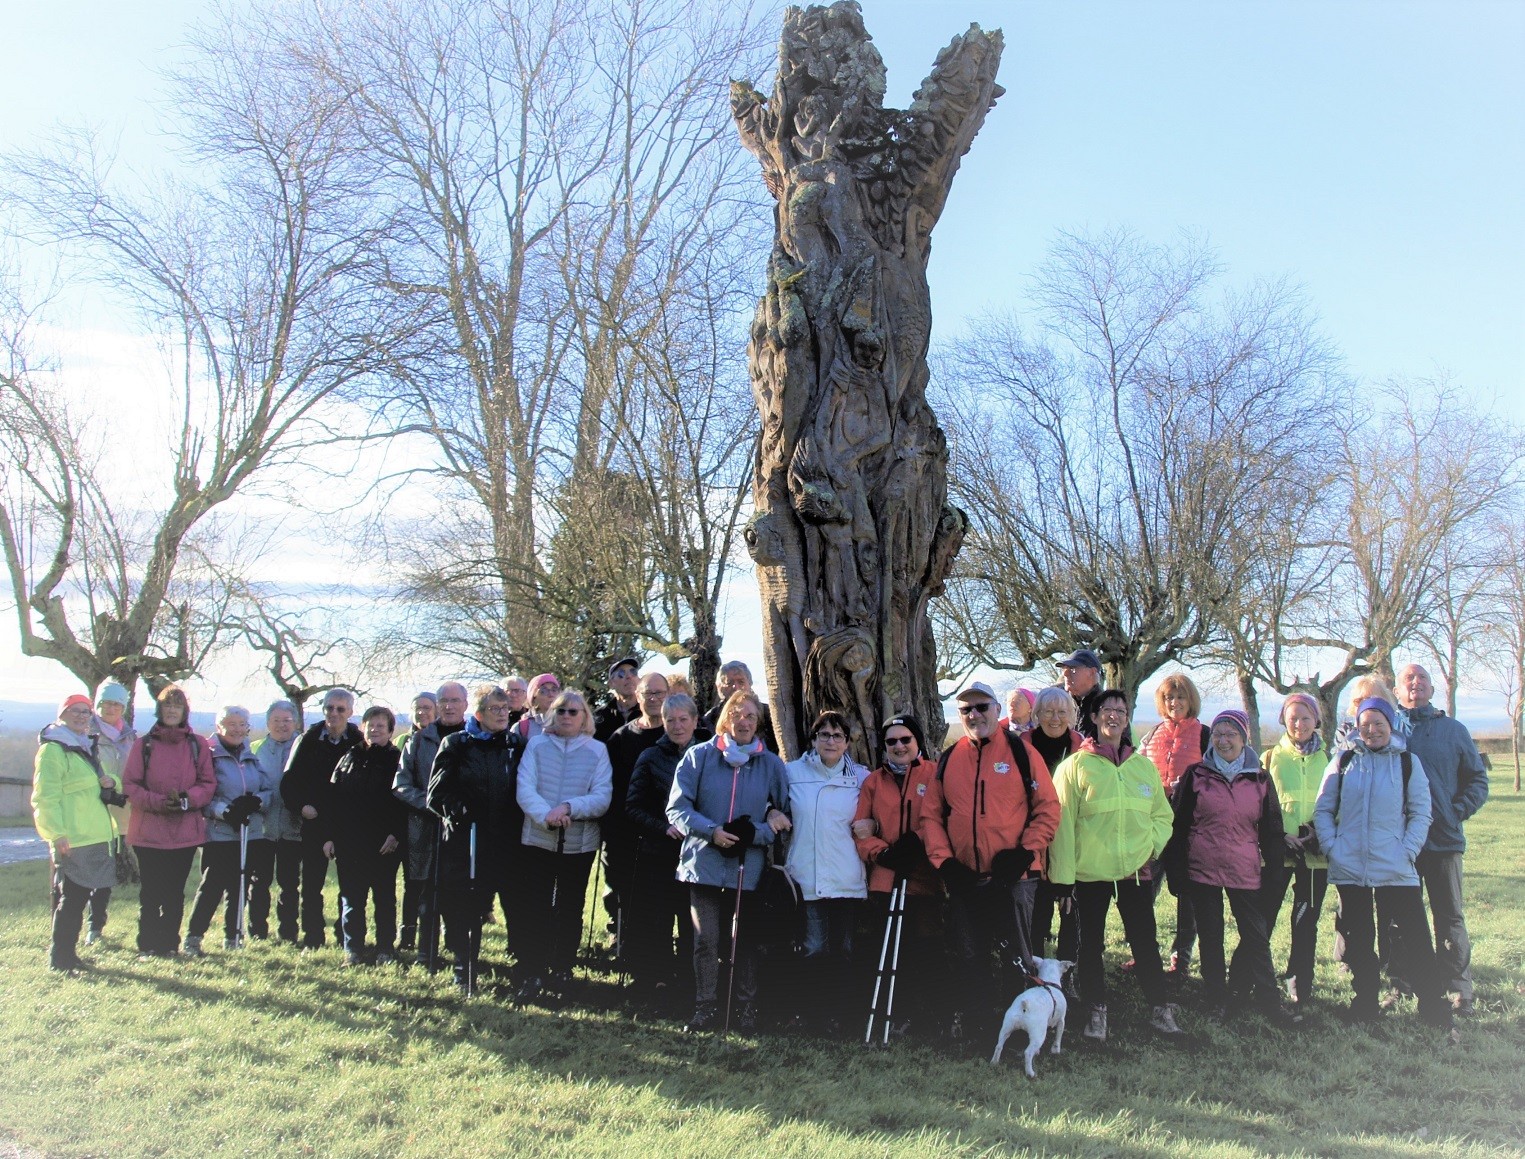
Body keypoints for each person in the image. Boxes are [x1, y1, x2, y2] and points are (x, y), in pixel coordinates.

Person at [921, 681, 1060, 1038]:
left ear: (997, 710)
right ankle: (978, 1022)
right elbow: (931, 817)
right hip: (966, 876)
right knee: (971, 953)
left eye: (982, 707)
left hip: (1014, 876)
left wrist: (1025, 852)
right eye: (966, 709)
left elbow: (1047, 808)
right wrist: (946, 864)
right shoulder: (950, 758)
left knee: (1019, 955)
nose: (974, 715)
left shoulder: (1020, 752)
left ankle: (1024, 1028)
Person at [1047, 688, 1183, 1041]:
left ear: (1127, 719)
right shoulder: (1074, 767)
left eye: (1121, 711)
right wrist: (1063, 882)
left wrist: (1149, 850)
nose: (1114, 716)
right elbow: (1061, 828)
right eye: (1106, 710)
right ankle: (1097, 1012)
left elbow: (1163, 816)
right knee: (1090, 947)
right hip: (1089, 875)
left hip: (1134, 873)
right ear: (1093, 718)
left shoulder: (1142, 768)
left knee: (1145, 944)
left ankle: (1159, 1010)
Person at [1314, 696, 1451, 1029]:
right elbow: (1323, 809)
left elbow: (1421, 812)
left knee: (1416, 936)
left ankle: (1433, 1007)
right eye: (1365, 725)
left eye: (1379, 724)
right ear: (1357, 728)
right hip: (1351, 867)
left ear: (1390, 726)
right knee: (1359, 938)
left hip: (1396, 867)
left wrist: (1407, 850)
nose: (1372, 730)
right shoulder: (1343, 761)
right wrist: (1333, 846)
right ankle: (1364, 1002)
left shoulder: (1407, 762)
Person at [667, 690, 790, 1032]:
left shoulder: (771, 764)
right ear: (725, 719)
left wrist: (756, 834)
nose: (745, 722)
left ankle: (746, 1009)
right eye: (738, 715)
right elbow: (677, 809)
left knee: (744, 940)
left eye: (751, 716)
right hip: (702, 865)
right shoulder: (698, 756)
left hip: (747, 870)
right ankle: (705, 1006)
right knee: (706, 939)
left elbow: (784, 817)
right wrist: (712, 831)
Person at [1165, 709, 1291, 1023]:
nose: (1224, 740)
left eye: (1231, 734)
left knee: (1256, 938)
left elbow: (1272, 827)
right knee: (1211, 937)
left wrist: (1274, 869)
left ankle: (1270, 1004)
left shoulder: (1259, 777)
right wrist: (1177, 870)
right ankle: (1216, 1001)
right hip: (1202, 868)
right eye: (1219, 734)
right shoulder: (1197, 774)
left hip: (1244, 870)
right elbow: (1178, 825)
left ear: (1244, 738)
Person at [1395, 663, 1488, 1016]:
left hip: (1444, 840)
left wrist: (1455, 810)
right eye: (1408, 679)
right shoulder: (1390, 730)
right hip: (1401, 843)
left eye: (1422, 679)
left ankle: (1459, 988)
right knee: (1399, 918)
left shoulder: (1453, 730)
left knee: (1449, 916)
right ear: (1398, 690)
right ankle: (1401, 983)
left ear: (1432, 689)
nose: (1415, 683)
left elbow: (1477, 780)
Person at [516, 689, 613, 1007]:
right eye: (561, 711)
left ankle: (562, 969)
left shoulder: (597, 751)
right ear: (551, 715)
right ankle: (532, 970)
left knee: (570, 909)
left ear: (585, 716)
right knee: (534, 907)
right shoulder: (537, 745)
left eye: (574, 711)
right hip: (538, 839)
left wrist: (570, 807)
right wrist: (547, 815)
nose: (568, 716)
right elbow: (525, 787)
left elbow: (602, 795)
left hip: (579, 843)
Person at [428, 685, 522, 994]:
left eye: (504, 708)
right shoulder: (456, 744)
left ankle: (524, 968)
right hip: (467, 840)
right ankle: (464, 969)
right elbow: (436, 794)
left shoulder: (515, 744)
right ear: (478, 714)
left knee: (517, 904)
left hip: (507, 839)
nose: (501, 713)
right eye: (494, 709)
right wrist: (458, 809)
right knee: (467, 907)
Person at [852, 714, 941, 1036]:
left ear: (917, 742)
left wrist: (918, 843)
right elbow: (861, 830)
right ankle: (893, 1012)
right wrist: (883, 853)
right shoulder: (874, 781)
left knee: (926, 948)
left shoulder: (934, 775)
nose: (899, 746)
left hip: (923, 877)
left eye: (906, 740)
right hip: (886, 878)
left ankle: (926, 1015)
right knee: (889, 951)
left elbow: (941, 820)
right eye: (892, 741)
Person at [784, 710, 872, 1033]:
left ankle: (841, 1015)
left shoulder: (862, 778)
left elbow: (875, 814)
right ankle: (811, 1013)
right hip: (807, 876)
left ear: (848, 742)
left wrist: (872, 824)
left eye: (837, 736)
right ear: (814, 739)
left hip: (846, 877)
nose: (831, 741)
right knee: (813, 948)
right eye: (824, 735)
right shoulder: (793, 772)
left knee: (844, 950)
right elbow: (774, 804)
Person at [122, 685, 216, 958]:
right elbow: (131, 785)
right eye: (167, 706)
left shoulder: (197, 745)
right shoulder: (144, 745)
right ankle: (148, 945)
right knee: (151, 892)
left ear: (184, 711)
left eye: (177, 705)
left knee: (175, 893)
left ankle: (169, 944)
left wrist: (186, 800)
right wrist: (159, 802)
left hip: (184, 831)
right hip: (148, 830)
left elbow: (208, 783)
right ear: (159, 710)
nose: (172, 710)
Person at [625, 693, 704, 1008]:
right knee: (658, 922)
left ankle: (689, 983)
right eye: (671, 720)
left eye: (683, 719)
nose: (677, 725)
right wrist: (662, 827)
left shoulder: (709, 754)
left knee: (692, 923)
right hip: (659, 854)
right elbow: (632, 806)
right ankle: (658, 981)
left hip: (698, 854)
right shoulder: (650, 757)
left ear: (695, 721)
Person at [32, 694, 121, 971]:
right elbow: (44, 797)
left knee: (79, 899)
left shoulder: (84, 745)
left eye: (86, 711)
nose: (82, 716)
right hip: (73, 837)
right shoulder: (54, 750)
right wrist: (55, 833)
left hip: (94, 834)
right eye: (75, 711)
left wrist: (111, 780)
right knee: (71, 900)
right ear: (62, 715)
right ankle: (60, 958)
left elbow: (103, 782)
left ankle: (69, 955)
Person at [1260, 692, 1331, 1014]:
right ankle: (1252, 979)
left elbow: (1339, 803)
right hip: (1278, 851)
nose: (1299, 724)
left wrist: (1320, 831)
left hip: (1316, 855)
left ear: (1316, 720)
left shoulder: (1332, 760)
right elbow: (1258, 805)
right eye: (1293, 718)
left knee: (1306, 921)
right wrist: (1280, 835)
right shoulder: (1270, 758)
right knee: (1264, 917)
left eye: (1305, 718)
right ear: (1283, 722)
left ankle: (1299, 983)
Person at [184, 707, 273, 954]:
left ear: (247, 727)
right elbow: (201, 794)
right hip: (220, 833)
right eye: (230, 723)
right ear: (219, 726)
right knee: (212, 884)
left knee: (240, 885)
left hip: (249, 832)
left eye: (241, 724)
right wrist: (225, 811)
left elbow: (267, 790)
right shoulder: (209, 755)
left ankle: (233, 937)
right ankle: (193, 937)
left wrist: (256, 801)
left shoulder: (251, 755)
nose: (236, 729)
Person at [324, 706, 408, 965]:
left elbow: (404, 801)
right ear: (362, 727)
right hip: (350, 841)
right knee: (351, 898)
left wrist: (396, 834)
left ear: (391, 730)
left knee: (384, 898)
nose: (374, 730)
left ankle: (385, 949)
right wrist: (329, 836)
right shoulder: (348, 757)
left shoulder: (398, 759)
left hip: (384, 843)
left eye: (380, 726)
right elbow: (333, 800)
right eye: (370, 725)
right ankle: (354, 949)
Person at [1141, 672, 1210, 976]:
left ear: (1190, 699)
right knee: (1145, 890)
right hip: (1154, 823)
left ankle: (1180, 958)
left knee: (1187, 895)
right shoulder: (1153, 733)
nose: (1174, 702)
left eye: (1180, 697)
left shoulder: (1205, 734)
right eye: (1169, 697)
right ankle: (1145, 952)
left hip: (1189, 825)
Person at [281, 689, 362, 949]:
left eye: (340, 709)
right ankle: (313, 938)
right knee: (312, 885)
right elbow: (288, 783)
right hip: (314, 822)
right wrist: (301, 806)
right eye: (329, 708)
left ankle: (344, 937)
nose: (334, 713)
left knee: (348, 885)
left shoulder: (359, 742)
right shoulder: (308, 739)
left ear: (350, 712)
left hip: (347, 824)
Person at [395, 681, 468, 961]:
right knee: (427, 891)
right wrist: (431, 804)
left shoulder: (473, 737)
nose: (449, 706)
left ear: (465, 704)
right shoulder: (419, 740)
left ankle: (458, 947)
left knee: (459, 890)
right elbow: (400, 784)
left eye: (455, 700)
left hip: (461, 827)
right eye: (444, 701)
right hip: (425, 827)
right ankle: (426, 951)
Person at [602, 672, 672, 960]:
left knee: (664, 903)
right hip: (627, 832)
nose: (654, 699)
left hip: (668, 833)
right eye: (648, 694)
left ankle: (665, 961)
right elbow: (612, 788)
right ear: (637, 697)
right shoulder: (620, 738)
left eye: (659, 693)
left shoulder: (680, 733)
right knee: (630, 899)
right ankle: (631, 957)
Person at [1027, 687, 1084, 961]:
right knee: (1036, 915)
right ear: (1037, 713)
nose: (1054, 718)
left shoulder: (1082, 747)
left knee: (1071, 913)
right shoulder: (1020, 745)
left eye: (1062, 712)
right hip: (1032, 840)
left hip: (1070, 841)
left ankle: (1067, 974)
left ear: (1071, 716)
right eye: (1048, 711)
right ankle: (1033, 971)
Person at [85, 680, 137, 944]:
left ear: (124, 707)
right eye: (106, 703)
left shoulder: (130, 736)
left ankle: (98, 926)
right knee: (94, 866)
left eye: (117, 703)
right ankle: (89, 925)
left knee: (110, 867)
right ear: (98, 704)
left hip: (123, 810)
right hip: (93, 808)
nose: (111, 708)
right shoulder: (86, 731)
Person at [254, 700, 303, 944]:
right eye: (276, 721)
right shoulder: (255, 749)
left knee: (289, 883)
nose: (282, 725)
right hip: (262, 829)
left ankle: (288, 932)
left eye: (287, 720)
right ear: (267, 723)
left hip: (293, 829)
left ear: (295, 722)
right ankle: (257, 931)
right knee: (259, 882)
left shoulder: (304, 747)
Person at [699, 661, 779, 754]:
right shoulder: (710, 719)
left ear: (749, 684)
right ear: (720, 687)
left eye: (741, 682)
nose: (736, 687)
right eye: (729, 682)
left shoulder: (769, 714)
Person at [1056, 649, 1105, 741]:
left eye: (1072, 669)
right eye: (1064, 669)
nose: (1065, 674)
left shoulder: (1108, 708)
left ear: (1092, 672)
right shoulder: (1059, 703)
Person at [594, 657, 643, 742]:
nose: (629, 676)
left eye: (633, 672)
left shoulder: (648, 712)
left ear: (639, 679)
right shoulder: (600, 716)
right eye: (621, 674)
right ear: (611, 683)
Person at [513, 674, 561, 742]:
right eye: (544, 691)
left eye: (554, 690)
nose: (551, 694)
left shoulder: (567, 722)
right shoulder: (521, 728)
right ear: (533, 697)